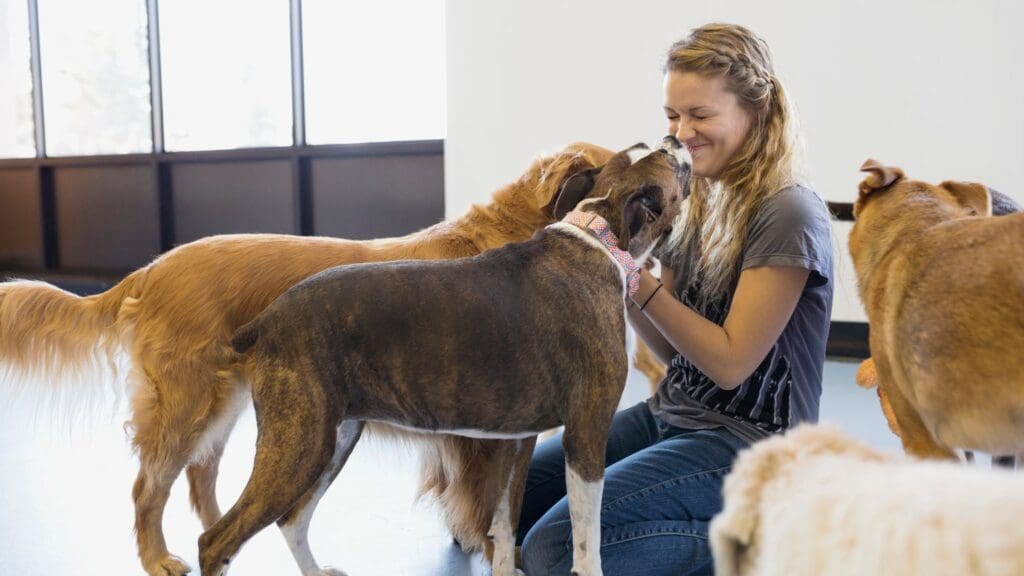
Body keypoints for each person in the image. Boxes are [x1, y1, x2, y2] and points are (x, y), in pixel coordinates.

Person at [517, 22, 834, 576]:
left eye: (701, 115)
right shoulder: (699, 197)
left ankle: (777, 539)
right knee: (509, 498)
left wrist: (631, 274)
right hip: (674, 413)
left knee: (554, 552)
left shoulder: (788, 212)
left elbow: (731, 365)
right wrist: (612, 271)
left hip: (751, 448)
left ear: (754, 113)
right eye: (672, 115)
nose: (681, 132)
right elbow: (676, 354)